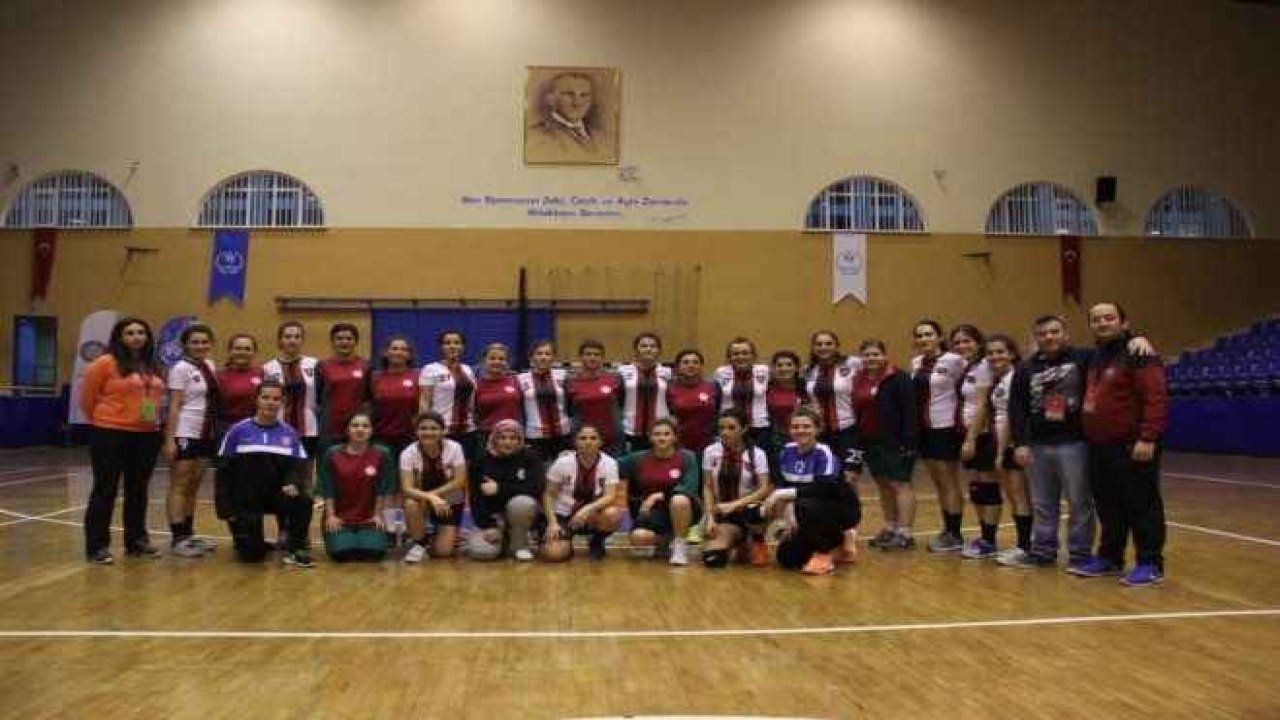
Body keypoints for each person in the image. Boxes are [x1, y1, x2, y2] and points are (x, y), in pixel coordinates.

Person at [1008, 315, 1154, 571]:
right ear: (1036, 338)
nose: (1049, 337)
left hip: (1075, 443)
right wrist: (1021, 442)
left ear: (1066, 334)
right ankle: (1043, 551)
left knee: (1079, 502)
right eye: (1043, 334)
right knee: (1042, 503)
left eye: (1054, 332)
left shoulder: (1086, 358)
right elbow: (1017, 408)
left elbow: (1115, 351)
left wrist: (1137, 339)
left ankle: (1079, 553)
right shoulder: (1025, 368)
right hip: (1038, 445)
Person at [1076, 302, 1170, 586]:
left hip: (1132, 445)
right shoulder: (1096, 356)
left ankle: (1150, 563)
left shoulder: (1139, 353)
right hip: (1099, 445)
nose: (1102, 323)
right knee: (1108, 506)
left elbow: (1155, 397)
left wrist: (1148, 437)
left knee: (1142, 505)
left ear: (1124, 323)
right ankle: (1110, 557)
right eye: (1096, 320)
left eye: (1109, 318)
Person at [80, 317, 166, 564]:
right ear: (119, 337)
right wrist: (105, 420)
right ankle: (97, 546)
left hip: (147, 435)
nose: (136, 337)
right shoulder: (105, 362)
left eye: (141, 332)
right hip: (110, 433)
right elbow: (87, 399)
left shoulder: (152, 365)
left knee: (138, 490)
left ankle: (136, 541)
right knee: (105, 489)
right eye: (130, 332)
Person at [214, 380, 315, 568]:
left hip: (276, 495)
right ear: (257, 400)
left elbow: (296, 467)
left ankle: (295, 547)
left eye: (276, 399)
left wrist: (292, 483)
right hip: (245, 499)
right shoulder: (237, 430)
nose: (270, 402)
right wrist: (225, 507)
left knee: (304, 501)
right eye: (265, 397)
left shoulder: (290, 433)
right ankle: (251, 539)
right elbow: (223, 472)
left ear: (282, 402)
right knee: (252, 556)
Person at [762, 408, 850, 576]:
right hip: (804, 512)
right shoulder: (786, 451)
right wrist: (786, 519)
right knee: (787, 558)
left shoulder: (824, 453)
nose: (800, 430)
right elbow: (783, 484)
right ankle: (831, 545)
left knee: (807, 505)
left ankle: (826, 552)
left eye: (806, 426)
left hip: (834, 511)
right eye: (795, 427)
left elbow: (823, 490)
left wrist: (781, 495)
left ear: (817, 429)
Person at [854, 340, 920, 552]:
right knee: (883, 483)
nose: (871, 358)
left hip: (896, 440)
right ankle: (891, 527)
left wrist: (909, 439)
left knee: (900, 483)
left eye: (875, 354)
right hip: (870, 439)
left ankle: (905, 533)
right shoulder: (859, 379)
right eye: (866, 355)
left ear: (884, 356)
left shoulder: (899, 378)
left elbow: (910, 410)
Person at [909, 319, 968, 553]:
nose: (923, 339)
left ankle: (955, 533)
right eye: (919, 335)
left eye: (928, 334)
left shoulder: (954, 360)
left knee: (948, 481)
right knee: (938, 482)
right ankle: (948, 529)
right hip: (925, 428)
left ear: (940, 337)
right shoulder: (916, 363)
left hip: (945, 427)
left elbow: (968, 388)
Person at [163, 323, 221, 558]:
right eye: (195, 342)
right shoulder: (180, 368)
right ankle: (178, 538)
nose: (200, 346)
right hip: (185, 431)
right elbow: (174, 405)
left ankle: (189, 534)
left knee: (194, 485)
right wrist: (170, 439)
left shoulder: (210, 365)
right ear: (185, 345)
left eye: (204, 342)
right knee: (180, 484)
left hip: (205, 433)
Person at [804, 330, 863, 560]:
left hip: (849, 431)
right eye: (819, 344)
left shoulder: (852, 365)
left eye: (828, 343)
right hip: (823, 436)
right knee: (826, 482)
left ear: (837, 345)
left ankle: (850, 533)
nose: (823, 347)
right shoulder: (810, 372)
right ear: (813, 347)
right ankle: (831, 532)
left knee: (848, 481)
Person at [618, 418, 702, 566]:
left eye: (666, 434)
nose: (661, 438)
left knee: (679, 499)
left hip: (683, 509)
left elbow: (689, 487)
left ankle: (680, 546)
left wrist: (659, 495)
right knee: (639, 537)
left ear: (675, 437)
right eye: (657, 434)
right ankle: (666, 540)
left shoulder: (687, 457)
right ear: (650, 438)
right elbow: (612, 465)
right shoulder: (638, 458)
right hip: (653, 513)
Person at [317, 413, 396, 562]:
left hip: (369, 518)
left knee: (374, 553)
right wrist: (331, 516)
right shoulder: (332, 454)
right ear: (347, 430)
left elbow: (383, 488)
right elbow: (328, 488)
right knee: (341, 554)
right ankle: (342, 538)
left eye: (365, 426)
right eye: (355, 425)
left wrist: (378, 515)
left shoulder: (382, 454)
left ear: (371, 430)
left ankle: (366, 537)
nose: (360, 429)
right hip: (340, 518)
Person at [952, 324, 1002, 560]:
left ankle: (990, 540)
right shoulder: (970, 367)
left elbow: (982, 405)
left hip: (983, 434)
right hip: (969, 432)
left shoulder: (984, 367)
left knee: (988, 485)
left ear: (979, 342)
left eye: (967, 341)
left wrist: (971, 439)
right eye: (957, 342)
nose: (962, 346)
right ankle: (984, 537)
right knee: (977, 487)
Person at [700, 410, 773, 568]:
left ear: (744, 428)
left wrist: (733, 505)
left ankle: (757, 540)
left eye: (731, 428)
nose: (725, 432)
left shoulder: (757, 454)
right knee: (713, 559)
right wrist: (710, 517)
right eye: (721, 428)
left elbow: (764, 489)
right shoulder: (711, 451)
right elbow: (707, 487)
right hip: (723, 513)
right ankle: (737, 541)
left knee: (757, 511)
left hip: (748, 511)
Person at [540, 424, 623, 562]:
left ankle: (596, 541)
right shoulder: (562, 463)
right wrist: (552, 523)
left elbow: (610, 495)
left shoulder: (610, 463)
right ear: (575, 442)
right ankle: (565, 541)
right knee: (554, 554)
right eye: (583, 438)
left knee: (613, 514)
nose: (588, 442)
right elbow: (548, 494)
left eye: (593, 438)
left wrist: (587, 509)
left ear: (600, 442)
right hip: (564, 513)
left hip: (591, 514)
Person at [986, 335, 1035, 566]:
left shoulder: (1014, 378)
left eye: (1000, 352)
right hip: (1004, 443)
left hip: (1014, 445)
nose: (995, 356)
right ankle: (1025, 544)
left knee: (1019, 496)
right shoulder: (1001, 380)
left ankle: (1026, 547)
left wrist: (1001, 451)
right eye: (991, 353)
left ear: (1012, 354)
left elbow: (1011, 418)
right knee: (1015, 497)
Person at [467, 419, 545, 561]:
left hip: (520, 515)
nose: (508, 442)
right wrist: (488, 525)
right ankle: (503, 539)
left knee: (522, 503)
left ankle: (520, 545)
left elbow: (536, 487)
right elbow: (476, 497)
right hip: (493, 518)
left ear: (520, 440)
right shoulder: (481, 460)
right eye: (502, 438)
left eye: (513, 438)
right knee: (481, 552)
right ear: (494, 439)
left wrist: (499, 488)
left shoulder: (530, 457)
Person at [400, 412, 468, 562]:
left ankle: (436, 535)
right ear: (416, 431)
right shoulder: (408, 453)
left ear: (443, 431)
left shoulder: (455, 448)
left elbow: (459, 481)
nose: (428, 432)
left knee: (443, 552)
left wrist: (434, 495)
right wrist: (430, 497)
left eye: (434, 428)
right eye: (423, 428)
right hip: (422, 499)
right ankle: (420, 542)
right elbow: (407, 488)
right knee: (410, 503)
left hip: (450, 498)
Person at [525, 71, 613, 164]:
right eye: (569, 94)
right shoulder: (536, 135)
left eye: (584, 95)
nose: (577, 103)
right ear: (551, 99)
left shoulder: (602, 137)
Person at [262, 321, 320, 460]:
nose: (292, 340)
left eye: (297, 337)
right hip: (277, 426)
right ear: (280, 340)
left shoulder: (315, 364)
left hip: (309, 427)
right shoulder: (268, 368)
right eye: (287, 337)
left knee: (305, 468)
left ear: (302, 340)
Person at [419, 329, 479, 463]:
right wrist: (425, 428)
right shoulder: (431, 369)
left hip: (468, 430)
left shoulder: (468, 370)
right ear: (441, 347)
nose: (452, 346)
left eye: (457, 343)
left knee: (465, 468)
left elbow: (472, 401)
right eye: (447, 343)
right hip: (442, 430)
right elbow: (424, 401)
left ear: (463, 347)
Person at [316, 323, 372, 451]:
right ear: (333, 342)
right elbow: (318, 397)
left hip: (357, 428)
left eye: (349, 338)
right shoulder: (323, 366)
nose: (344, 342)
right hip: (330, 428)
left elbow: (370, 397)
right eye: (339, 338)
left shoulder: (366, 366)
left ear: (355, 341)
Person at [517, 340, 571, 461]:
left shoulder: (564, 375)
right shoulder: (519, 379)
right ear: (531, 357)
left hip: (563, 434)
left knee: (563, 469)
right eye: (539, 353)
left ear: (553, 357)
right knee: (538, 470)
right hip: (534, 435)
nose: (543, 357)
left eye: (547, 354)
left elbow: (572, 402)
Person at [566, 339, 623, 454]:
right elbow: (568, 409)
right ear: (580, 357)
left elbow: (621, 403)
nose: (592, 358)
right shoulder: (570, 381)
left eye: (596, 355)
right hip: (583, 439)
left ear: (602, 358)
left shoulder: (614, 379)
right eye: (588, 354)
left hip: (611, 438)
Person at [618, 332, 672, 452]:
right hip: (629, 429)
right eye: (644, 346)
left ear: (659, 351)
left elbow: (672, 400)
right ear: (636, 350)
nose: (648, 349)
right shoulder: (623, 372)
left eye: (653, 346)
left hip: (660, 431)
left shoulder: (667, 373)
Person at [714, 337, 772, 446]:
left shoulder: (764, 371)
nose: (740, 357)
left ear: (753, 355)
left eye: (745, 353)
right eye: (735, 354)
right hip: (729, 427)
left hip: (759, 426)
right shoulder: (721, 372)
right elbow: (716, 399)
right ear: (729, 357)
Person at [369, 336, 420, 455]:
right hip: (380, 437)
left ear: (409, 355)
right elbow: (367, 406)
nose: (399, 352)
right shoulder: (374, 378)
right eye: (394, 348)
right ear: (386, 353)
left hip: (410, 437)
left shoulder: (418, 376)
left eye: (403, 349)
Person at [667, 349, 719, 454]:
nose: (691, 365)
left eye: (695, 362)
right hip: (679, 445)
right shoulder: (669, 388)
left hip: (708, 444)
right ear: (677, 367)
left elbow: (718, 411)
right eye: (686, 362)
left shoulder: (713, 387)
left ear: (701, 366)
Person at [474, 342, 522, 444]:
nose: (497, 362)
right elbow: (473, 413)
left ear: (507, 362)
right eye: (492, 358)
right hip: (486, 436)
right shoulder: (476, 385)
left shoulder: (516, 380)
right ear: (484, 361)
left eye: (501, 359)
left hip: (513, 436)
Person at [215, 333, 263, 434]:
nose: (242, 352)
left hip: (255, 429)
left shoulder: (262, 373)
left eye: (247, 349)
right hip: (226, 430)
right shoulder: (218, 376)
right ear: (230, 351)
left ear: (254, 352)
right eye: (238, 348)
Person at [765, 350, 806, 460]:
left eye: (789, 365)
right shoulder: (767, 388)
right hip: (774, 440)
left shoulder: (805, 388)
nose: (784, 368)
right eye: (779, 365)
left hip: (802, 437)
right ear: (773, 368)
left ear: (797, 368)